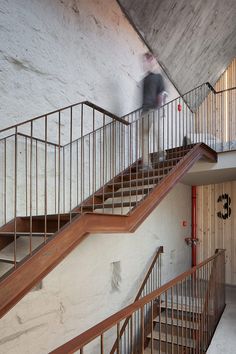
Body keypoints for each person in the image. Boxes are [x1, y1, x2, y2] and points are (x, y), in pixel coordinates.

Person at [140, 52, 167, 171]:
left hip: (154, 109)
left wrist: (160, 107)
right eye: (145, 60)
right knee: (144, 138)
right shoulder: (144, 80)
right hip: (144, 111)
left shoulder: (158, 77)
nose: (146, 62)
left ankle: (161, 153)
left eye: (149, 60)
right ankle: (146, 164)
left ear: (153, 61)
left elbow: (162, 93)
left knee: (156, 131)